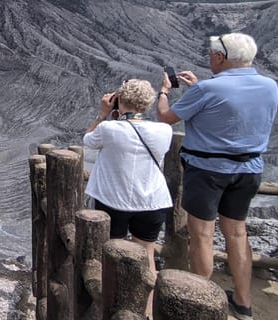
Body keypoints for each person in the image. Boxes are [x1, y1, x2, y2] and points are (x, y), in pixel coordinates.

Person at [156, 32, 278, 320]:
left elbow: (165, 117)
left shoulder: (208, 90)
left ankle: (202, 302)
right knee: (237, 233)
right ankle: (243, 301)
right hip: (249, 170)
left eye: (212, 54)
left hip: (208, 171)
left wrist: (164, 91)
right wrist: (201, 88)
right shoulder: (269, 86)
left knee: (202, 236)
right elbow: (234, 108)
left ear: (221, 57)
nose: (209, 57)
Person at [85, 79, 174, 318]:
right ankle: (147, 313)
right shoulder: (164, 131)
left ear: (119, 100)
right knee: (147, 256)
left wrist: (103, 114)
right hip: (152, 201)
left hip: (114, 199)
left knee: (110, 255)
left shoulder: (109, 129)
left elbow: (88, 141)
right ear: (147, 103)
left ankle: (111, 310)